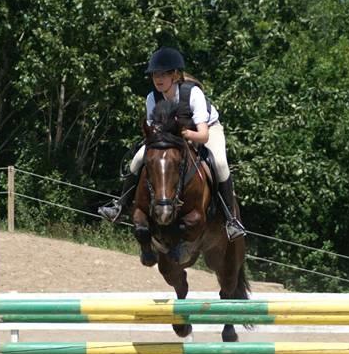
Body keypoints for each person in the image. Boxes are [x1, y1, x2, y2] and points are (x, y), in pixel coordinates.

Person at [99, 46, 246, 241]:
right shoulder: (152, 98)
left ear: (175, 75)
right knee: (138, 158)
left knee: (219, 163)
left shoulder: (192, 94)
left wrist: (183, 133)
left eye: (163, 74)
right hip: (172, 137)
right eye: (154, 75)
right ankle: (120, 205)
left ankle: (231, 220)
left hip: (207, 129)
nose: (157, 79)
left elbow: (202, 136)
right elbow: (154, 132)